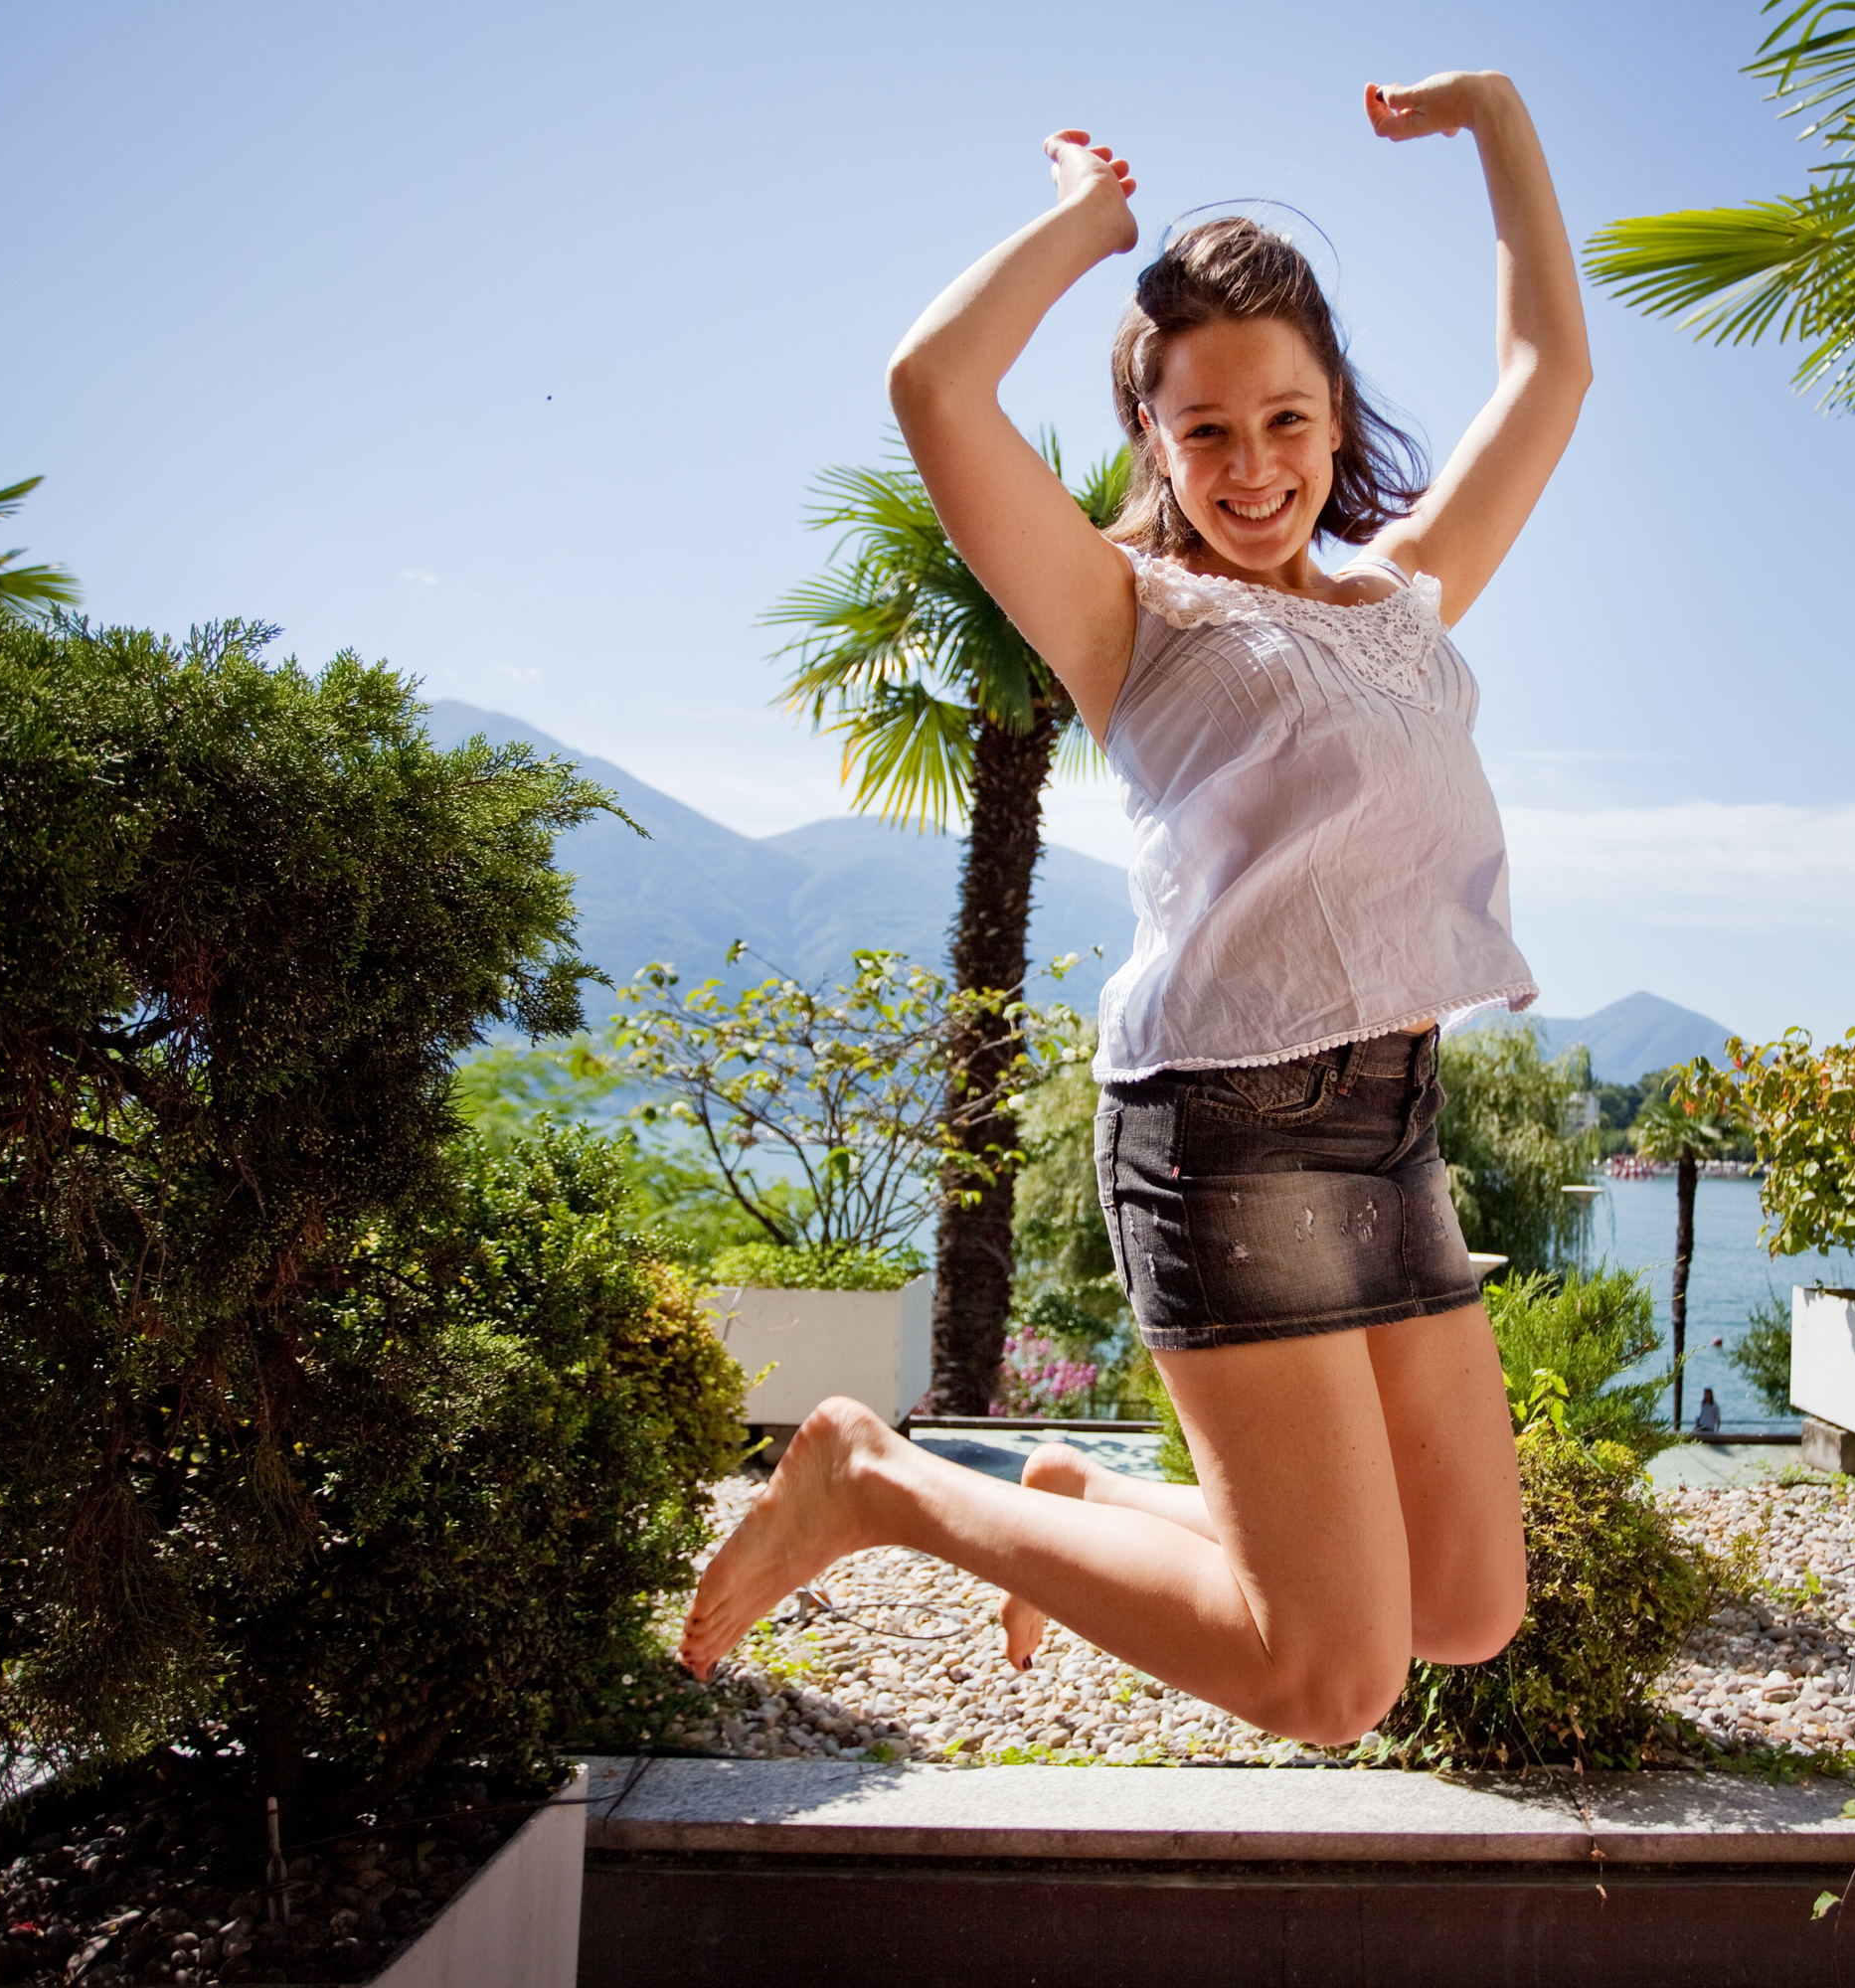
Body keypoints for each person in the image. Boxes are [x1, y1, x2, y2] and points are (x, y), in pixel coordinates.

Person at [677, 70, 1589, 1747]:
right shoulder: (1127, 616)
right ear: (1154, 440)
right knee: (1335, 1682)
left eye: (1289, 420)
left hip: (1390, 1120)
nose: (1255, 468)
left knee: (1467, 1604)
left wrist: (1498, 122)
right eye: (1207, 430)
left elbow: (1551, 371)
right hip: (1226, 1129)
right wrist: (1083, 228)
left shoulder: (1402, 596)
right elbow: (931, 382)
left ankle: (1080, 1499)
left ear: (1337, 413)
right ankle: (880, 1484)